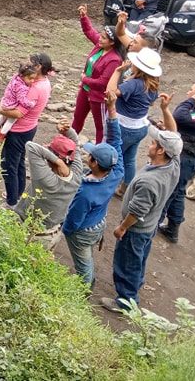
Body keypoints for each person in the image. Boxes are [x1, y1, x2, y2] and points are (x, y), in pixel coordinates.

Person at [101, 95, 182, 313]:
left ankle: (126, 301)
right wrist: (166, 109)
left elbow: (137, 210)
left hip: (136, 229)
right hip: (151, 225)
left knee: (127, 261)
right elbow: (174, 136)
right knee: (138, 259)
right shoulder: (173, 163)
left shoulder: (149, 181)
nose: (151, 143)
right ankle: (134, 286)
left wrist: (122, 227)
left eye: (155, 143)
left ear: (161, 151)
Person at [61, 92, 124, 288]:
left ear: (94, 163)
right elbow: (116, 140)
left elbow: (74, 220)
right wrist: (112, 110)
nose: (87, 155)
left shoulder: (86, 192)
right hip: (99, 222)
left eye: (90, 155)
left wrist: (66, 231)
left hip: (83, 230)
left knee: (83, 262)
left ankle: (86, 287)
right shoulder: (116, 170)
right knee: (87, 253)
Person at [0, 54, 55, 207]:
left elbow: (18, 113)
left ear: (39, 67)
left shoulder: (34, 88)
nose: (29, 63)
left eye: (32, 62)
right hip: (30, 127)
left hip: (19, 130)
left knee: (8, 165)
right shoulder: (44, 82)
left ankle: (11, 203)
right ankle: (17, 195)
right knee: (19, 163)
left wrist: (2, 109)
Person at [15, 125, 83, 249]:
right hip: (52, 234)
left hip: (30, 233)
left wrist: (58, 161)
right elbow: (75, 144)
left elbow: (31, 146)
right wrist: (68, 130)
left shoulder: (46, 179)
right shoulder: (77, 174)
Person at [106, 48, 162, 196]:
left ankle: (106, 186)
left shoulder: (135, 84)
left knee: (113, 156)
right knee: (129, 159)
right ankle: (125, 188)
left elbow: (111, 93)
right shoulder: (152, 85)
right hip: (140, 127)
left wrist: (118, 71)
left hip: (124, 127)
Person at [158, 81, 195, 243]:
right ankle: (172, 229)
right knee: (177, 192)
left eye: (192, 91)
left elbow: (180, 116)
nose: (188, 93)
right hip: (191, 156)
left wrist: (192, 100)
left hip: (189, 158)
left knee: (171, 191)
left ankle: (157, 223)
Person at [71, 5, 125, 143]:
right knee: (77, 118)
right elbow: (89, 31)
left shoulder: (114, 60)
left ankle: (99, 155)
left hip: (99, 97)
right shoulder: (99, 46)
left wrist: (85, 79)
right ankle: (67, 146)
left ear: (112, 43)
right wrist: (84, 17)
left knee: (100, 127)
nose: (99, 39)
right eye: (100, 36)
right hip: (85, 91)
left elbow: (102, 83)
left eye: (104, 38)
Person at [0, 63, 40, 140]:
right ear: (23, 76)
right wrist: (30, 104)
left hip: (6, 101)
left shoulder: (15, 78)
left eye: (34, 79)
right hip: (11, 105)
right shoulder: (22, 87)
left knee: (2, 116)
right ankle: (1, 135)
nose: (32, 81)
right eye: (30, 78)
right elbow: (21, 99)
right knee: (11, 120)